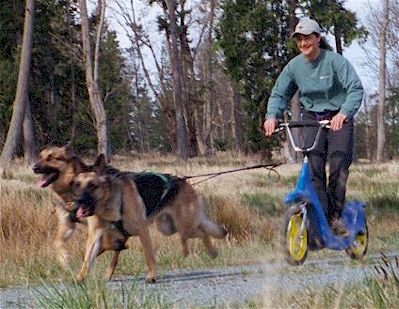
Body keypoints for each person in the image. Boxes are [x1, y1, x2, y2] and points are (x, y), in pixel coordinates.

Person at [263, 18, 364, 236]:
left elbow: (355, 89)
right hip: (312, 118)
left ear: (317, 38)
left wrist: (344, 113)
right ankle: (324, 222)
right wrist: (272, 116)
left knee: (338, 167)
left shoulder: (335, 62)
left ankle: (336, 217)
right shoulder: (295, 67)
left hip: (339, 117)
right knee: (314, 169)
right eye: (299, 39)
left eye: (308, 38)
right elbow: (279, 93)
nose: (303, 43)